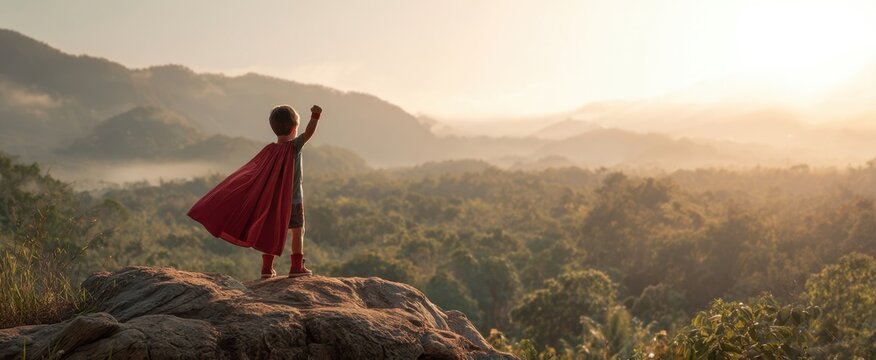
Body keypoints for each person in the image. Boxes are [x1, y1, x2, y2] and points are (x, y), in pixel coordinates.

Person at [187, 104, 322, 279]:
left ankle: (267, 268)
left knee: (271, 231)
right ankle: (296, 267)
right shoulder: (294, 147)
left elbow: (253, 171)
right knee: (298, 230)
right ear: (295, 128)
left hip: (272, 201)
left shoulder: (269, 150)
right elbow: (309, 133)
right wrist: (315, 116)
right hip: (293, 200)